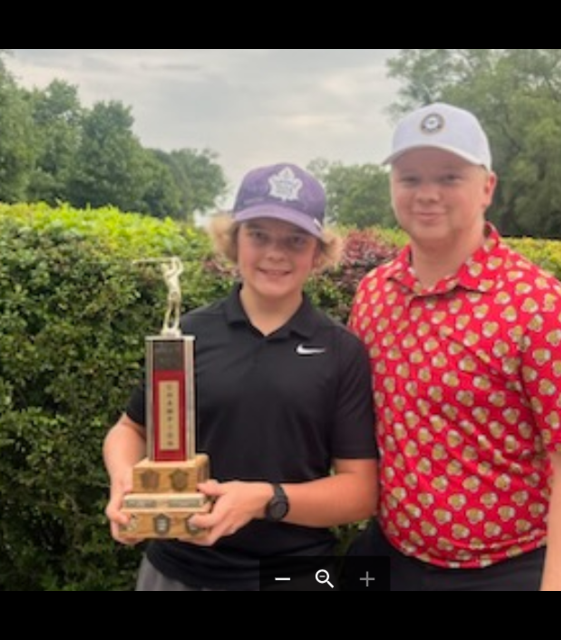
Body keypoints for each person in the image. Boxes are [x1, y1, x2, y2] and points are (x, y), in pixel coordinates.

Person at [347, 103, 561, 591]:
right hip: (388, 554)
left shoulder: (544, 310)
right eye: (409, 178)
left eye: (449, 177)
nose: (427, 194)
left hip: (503, 571)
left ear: (487, 187)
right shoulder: (373, 295)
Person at [104, 163, 379, 591]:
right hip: (176, 571)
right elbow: (130, 428)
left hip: (291, 575)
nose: (275, 253)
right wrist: (124, 481)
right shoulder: (190, 334)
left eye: (295, 240)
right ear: (233, 241)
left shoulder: (341, 351)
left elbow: (360, 491)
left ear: (318, 253)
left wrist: (266, 500)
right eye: (259, 235)